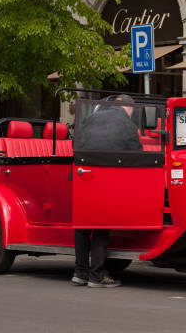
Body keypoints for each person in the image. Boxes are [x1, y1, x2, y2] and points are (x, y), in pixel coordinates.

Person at [71, 94, 141, 288]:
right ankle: (97, 274)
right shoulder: (127, 124)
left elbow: (75, 143)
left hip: (82, 173)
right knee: (101, 224)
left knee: (83, 224)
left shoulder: (91, 117)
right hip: (106, 176)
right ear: (129, 108)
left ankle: (80, 272)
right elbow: (137, 153)